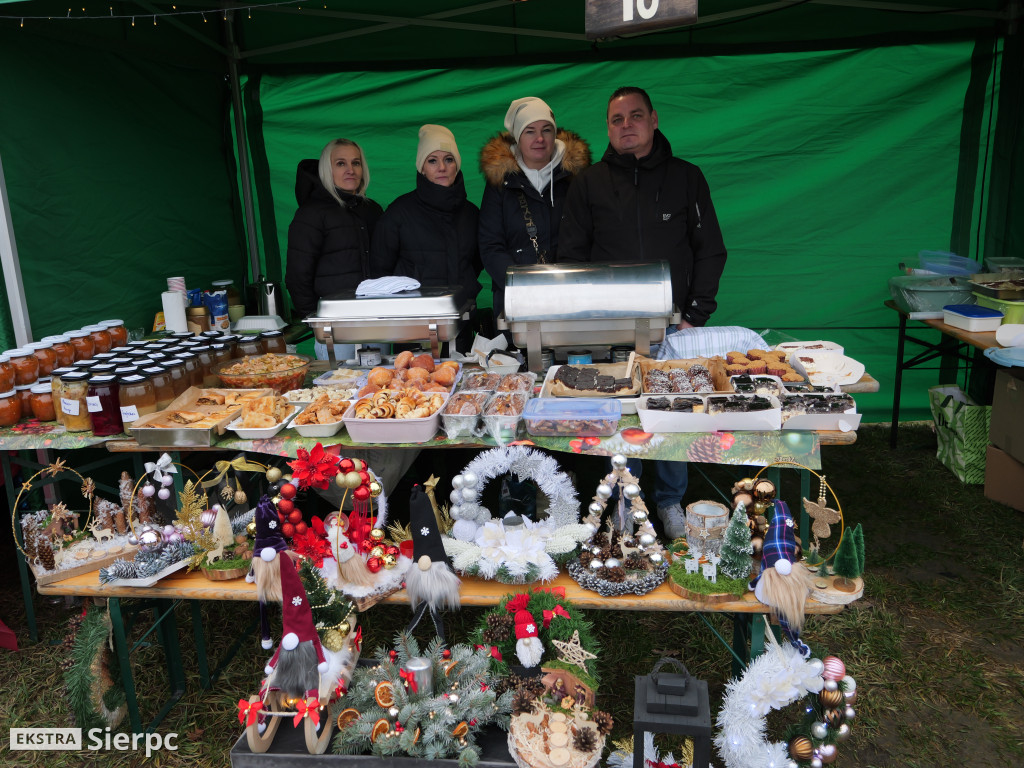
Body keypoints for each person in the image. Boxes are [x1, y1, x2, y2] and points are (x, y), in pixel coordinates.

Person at [559, 86, 728, 538]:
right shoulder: (588, 183)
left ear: (654, 119)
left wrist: (696, 312)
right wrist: (583, 320)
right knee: (619, 414)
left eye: (636, 116)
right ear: (608, 128)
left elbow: (710, 250)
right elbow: (571, 256)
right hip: (606, 327)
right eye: (617, 119)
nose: (627, 125)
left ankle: (671, 501)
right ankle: (621, 502)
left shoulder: (686, 177)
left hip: (673, 324)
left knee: (672, 411)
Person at [478, 97, 591, 325]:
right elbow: (491, 246)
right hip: (515, 302)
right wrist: (521, 286)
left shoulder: (577, 179)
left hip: (570, 301)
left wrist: (568, 283)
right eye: (530, 131)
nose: (539, 139)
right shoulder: (500, 183)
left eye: (546, 130)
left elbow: (589, 237)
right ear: (518, 138)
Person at [372, 124, 481, 350]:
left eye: (449, 159)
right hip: (414, 326)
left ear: (457, 165)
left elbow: (477, 262)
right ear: (422, 167)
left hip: (460, 322)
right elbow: (380, 270)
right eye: (432, 160)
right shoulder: (399, 212)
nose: (442, 167)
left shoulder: (471, 213)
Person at [285, 138, 382, 361]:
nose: (350, 170)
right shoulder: (311, 214)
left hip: (377, 321)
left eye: (356, 163)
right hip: (335, 327)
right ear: (327, 170)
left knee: (382, 387)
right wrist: (317, 320)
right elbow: (298, 275)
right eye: (341, 164)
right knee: (340, 390)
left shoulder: (373, 210)